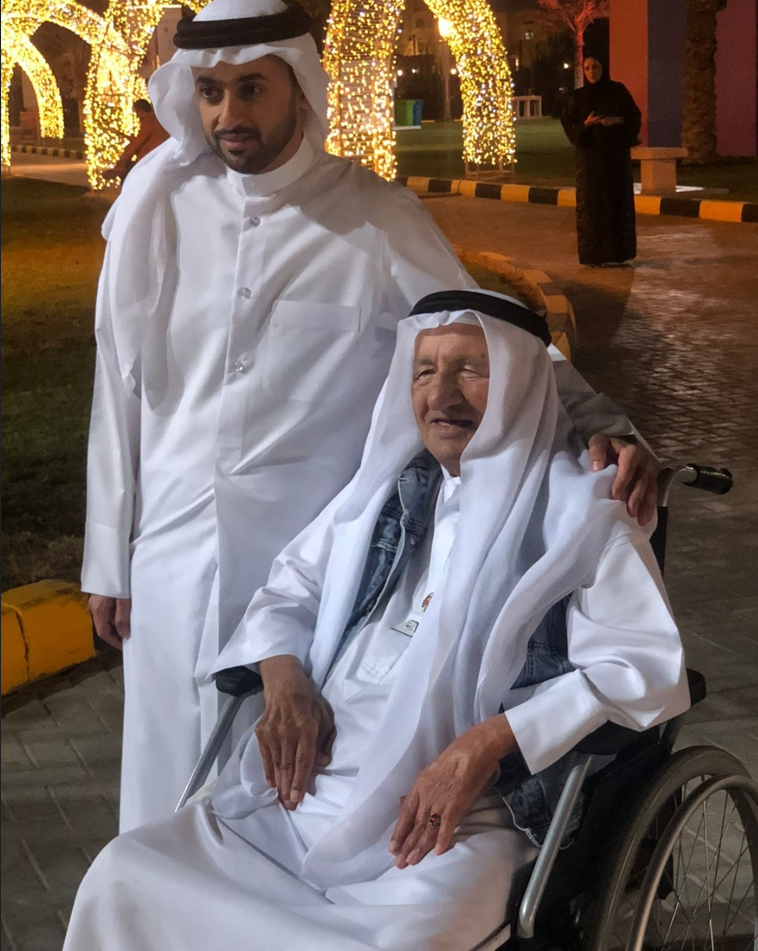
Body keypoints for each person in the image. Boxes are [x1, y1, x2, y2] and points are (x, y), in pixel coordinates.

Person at [84, 0, 659, 833]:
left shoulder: (373, 215)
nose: (229, 114)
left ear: (298, 85)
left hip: (302, 575)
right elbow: (119, 380)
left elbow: (497, 339)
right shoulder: (158, 205)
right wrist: (108, 554)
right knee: (161, 798)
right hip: (168, 563)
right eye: (210, 92)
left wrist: (607, 423)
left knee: (278, 810)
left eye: (252, 89)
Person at [65, 291, 689, 951]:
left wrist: (484, 745)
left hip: (454, 821)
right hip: (305, 793)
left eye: (471, 369)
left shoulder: (584, 514)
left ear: (521, 382)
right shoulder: (386, 494)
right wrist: (285, 682)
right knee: (125, 873)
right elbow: (290, 588)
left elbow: (642, 667)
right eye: (424, 370)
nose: (441, 393)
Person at [561, 54, 642, 267]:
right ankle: (594, 255)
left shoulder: (617, 91)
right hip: (590, 163)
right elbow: (569, 124)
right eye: (587, 68)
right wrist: (586, 124)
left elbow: (633, 116)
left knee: (616, 203)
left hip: (615, 160)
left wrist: (617, 121)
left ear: (602, 68)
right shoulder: (579, 97)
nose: (591, 72)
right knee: (593, 207)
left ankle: (618, 253)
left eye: (595, 67)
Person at [103, 99, 169, 182]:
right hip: (160, 158)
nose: (137, 116)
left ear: (141, 111)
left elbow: (136, 144)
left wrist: (120, 163)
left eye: (136, 112)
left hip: (147, 160)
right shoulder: (159, 120)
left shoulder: (149, 122)